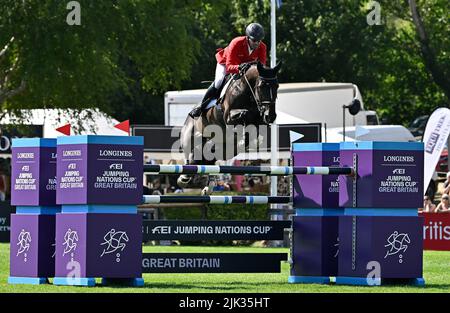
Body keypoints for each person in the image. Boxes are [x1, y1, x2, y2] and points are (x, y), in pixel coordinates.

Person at [189, 22, 267, 119]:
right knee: (219, 81)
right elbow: (230, 66)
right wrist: (239, 67)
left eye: (259, 41)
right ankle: (201, 107)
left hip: (246, 69)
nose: (257, 43)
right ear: (247, 38)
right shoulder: (236, 43)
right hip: (225, 63)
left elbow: (261, 67)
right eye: (254, 40)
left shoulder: (262, 47)